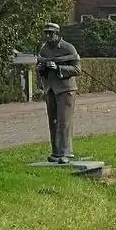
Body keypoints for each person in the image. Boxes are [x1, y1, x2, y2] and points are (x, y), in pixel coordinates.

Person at [37, 23, 82, 164]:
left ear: (57, 33)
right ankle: (56, 152)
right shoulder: (44, 49)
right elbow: (39, 67)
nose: (48, 36)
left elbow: (77, 69)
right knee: (53, 121)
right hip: (50, 89)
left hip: (65, 89)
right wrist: (42, 68)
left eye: (50, 33)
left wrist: (58, 68)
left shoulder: (68, 48)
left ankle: (66, 153)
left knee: (64, 122)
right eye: (46, 33)